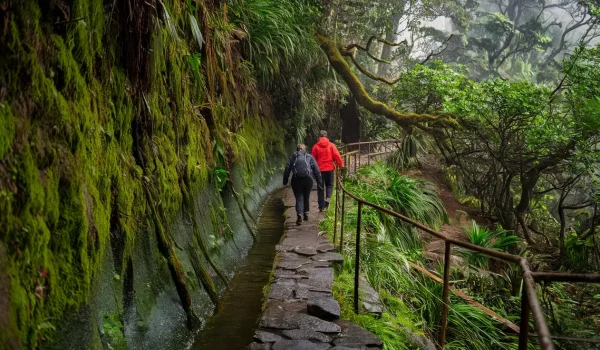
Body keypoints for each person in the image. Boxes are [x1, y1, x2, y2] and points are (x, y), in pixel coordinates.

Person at [283, 144, 323, 225]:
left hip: (296, 180)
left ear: (297, 149)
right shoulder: (309, 157)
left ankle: (299, 214)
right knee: (306, 196)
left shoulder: (294, 156)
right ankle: (306, 214)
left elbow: (287, 168)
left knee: (299, 197)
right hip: (308, 180)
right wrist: (319, 181)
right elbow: (317, 170)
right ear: (305, 149)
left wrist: (285, 180)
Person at [311, 130, 344, 211]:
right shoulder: (331, 145)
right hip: (330, 169)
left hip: (319, 170)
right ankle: (328, 198)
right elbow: (337, 156)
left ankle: (321, 206)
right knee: (329, 185)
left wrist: (312, 170)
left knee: (320, 188)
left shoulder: (315, 147)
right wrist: (341, 166)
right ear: (326, 136)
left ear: (320, 136)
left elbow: (312, 160)